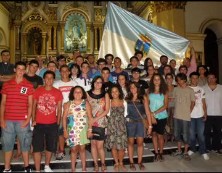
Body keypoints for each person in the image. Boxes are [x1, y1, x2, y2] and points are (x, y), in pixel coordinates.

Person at [0, 61, 33, 172]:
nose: (20, 71)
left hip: (22, 121)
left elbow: (30, 104)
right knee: (7, 146)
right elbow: (3, 103)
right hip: (7, 121)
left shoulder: (28, 85)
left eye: (23, 69)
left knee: (25, 145)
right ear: (15, 70)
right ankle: (7, 168)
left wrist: (28, 119)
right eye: (18, 68)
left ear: (25, 71)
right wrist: (1, 119)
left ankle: (27, 167)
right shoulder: (7, 84)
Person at [32, 70, 63, 172]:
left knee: (50, 146)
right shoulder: (38, 91)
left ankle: (46, 165)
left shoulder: (57, 92)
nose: (49, 80)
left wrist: (58, 123)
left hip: (52, 123)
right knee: (37, 148)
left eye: (51, 78)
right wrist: (33, 119)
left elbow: (59, 108)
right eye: (47, 78)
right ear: (44, 79)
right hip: (39, 124)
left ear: (53, 80)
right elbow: (34, 106)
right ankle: (37, 170)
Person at [63, 86, 93, 172]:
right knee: (73, 150)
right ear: (72, 93)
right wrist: (65, 130)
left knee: (82, 149)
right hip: (72, 130)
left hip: (83, 129)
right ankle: (73, 169)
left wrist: (90, 130)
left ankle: (84, 168)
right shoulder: (68, 103)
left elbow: (90, 118)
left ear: (83, 93)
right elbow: (64, 118)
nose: (78, 94)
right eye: (76, 92)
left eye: (80, 92)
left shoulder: (86, 103)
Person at [125, 82, 152, 171]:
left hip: (141, 123)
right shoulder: (127, 98)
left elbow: (147, 112)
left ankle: (140, 162)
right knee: (130, 143)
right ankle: (131, 162)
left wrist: (150, 126)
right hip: (130, 123)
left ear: (138, 88)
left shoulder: (143, 97)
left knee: (140, 143)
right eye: (131, 87)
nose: (133, 89)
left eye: (134, 87)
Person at [53, 65, 77, 160]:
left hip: (73, 113)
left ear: (69, 72)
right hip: (60, 112)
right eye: (62, 71)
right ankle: (61, 150)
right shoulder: (56, 84)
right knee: (61, 132)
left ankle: (73, 150)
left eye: (66, 71)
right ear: (60, 72)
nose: (64, 73)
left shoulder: (74, 83)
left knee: (72, 132)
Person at [86, 76, 110, 172]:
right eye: (96, 82)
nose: (98, 84)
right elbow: (86, 109)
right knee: (93, 145)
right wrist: (91, 121)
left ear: (102, 84)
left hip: (101, 122)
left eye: (100, 82)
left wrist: (95, 118)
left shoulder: (106, 95)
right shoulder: (87, 94)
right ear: (93, 83)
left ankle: (103, 163)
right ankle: (96, 164)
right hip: (90, 123)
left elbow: (107, 110)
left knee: (100, 146)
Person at [172, 73, 195, 161]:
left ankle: (185, 152)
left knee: (186, 135)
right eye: (177, 80)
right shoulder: (176, 89)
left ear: (184, 80)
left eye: (180, 79)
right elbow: (173, 101)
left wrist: (189, 112)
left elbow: (193, 102)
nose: (178, 81)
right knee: (176, 135)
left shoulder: (190, 90)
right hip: (176, 116)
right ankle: (179, 150)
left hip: (186, 117)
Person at [106, 84, 128, 172]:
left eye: (116, 91)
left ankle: (121, 162)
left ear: (119, 92)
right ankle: (116, 163)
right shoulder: (109, 101)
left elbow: (125, 114)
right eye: (112, 92)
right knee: (114, 146)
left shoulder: (124, 102)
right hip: (111, 126)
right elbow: (107, 114)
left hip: (121, 127)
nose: (114, 93)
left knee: (122, 147)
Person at [188, 72, 209, 160]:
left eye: (196, 78)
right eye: (193, 78)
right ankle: (192, 149)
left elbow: (204, 102)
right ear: (190, 79)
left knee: (201, 135)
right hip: (190, 115)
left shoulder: (201, 89)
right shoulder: (187, 88)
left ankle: (203, 151)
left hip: (200, 115)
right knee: (192, 135)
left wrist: (205, 113)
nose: (195, 80)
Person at [148, 73, 168, 162]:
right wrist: (151, 115)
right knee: (154, 134)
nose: (156, 81)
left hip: (162, 116)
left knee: (160, 135)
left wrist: (154, 113)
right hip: (151, 117)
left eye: (158, 79)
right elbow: (147, 104)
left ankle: (161, 152)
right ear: (152, 81)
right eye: (155, 79)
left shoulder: (165, 91)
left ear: (161, 81)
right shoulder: (149, 91)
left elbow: (165, 105)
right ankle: (156, 152)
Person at [203, 72, 222, 154]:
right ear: (207, 79)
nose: (211, 79)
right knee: (206, 131)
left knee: (217, 131)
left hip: (219, 113)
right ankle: (207, 147)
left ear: (215, 79)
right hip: (207, 114)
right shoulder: (203, 88)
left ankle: (217, 147)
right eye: (209, 78)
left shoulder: (221, 88)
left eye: (212, 78)